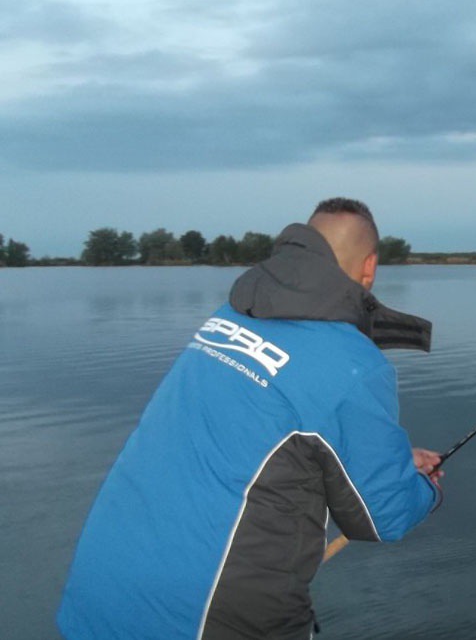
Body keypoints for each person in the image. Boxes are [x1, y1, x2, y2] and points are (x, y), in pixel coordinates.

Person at [58, 198, 444, 640]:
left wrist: (391, 460)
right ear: (370, 267)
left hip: (103, 586)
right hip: (205, 619)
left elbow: (258, 434)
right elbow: (384, 516)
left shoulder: (229, 318)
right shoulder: (353, 363)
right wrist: (425, 489)